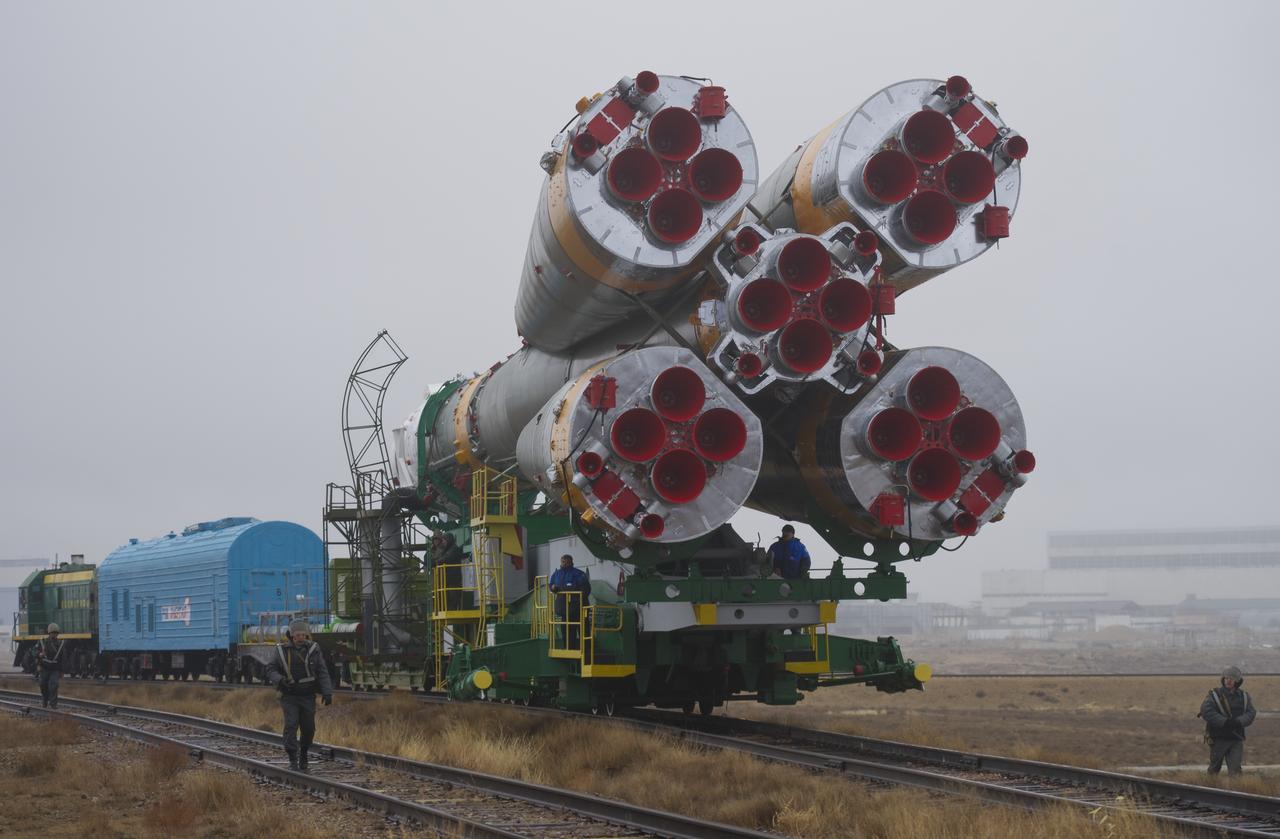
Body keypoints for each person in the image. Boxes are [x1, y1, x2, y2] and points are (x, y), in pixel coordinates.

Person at [266, 619, 334, 772]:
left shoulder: (314, 650)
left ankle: (304, 754)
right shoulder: (281, 651)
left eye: (303, 634)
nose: (301, 637)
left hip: (308, 695)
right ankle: (292, 758)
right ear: (291, 635)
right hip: (289, 695)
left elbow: (322, 672)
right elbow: (270, 669)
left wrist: (327, 692)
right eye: (297, 634)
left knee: (309, 728)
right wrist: (279, 680)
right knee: (291, 725)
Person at [1199, 665, 1256, 776]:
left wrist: (1239, 722)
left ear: (1237, 681)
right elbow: (1206, 711)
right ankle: (1210, 789)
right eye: (1226, 678)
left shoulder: (1244, 696)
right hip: (1218, 738)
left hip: (1236, 738)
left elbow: (1251, 713)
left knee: (1235, 771)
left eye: (1231, 678)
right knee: (1214, 768)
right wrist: (1225, 722)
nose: (1228, 681)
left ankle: (1236, 791)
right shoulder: (1214, 695)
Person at [549, 554, 590, 649]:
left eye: (566, 562)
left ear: (570, 562)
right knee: (567, 632)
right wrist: (553, 588)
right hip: (565, 611)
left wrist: (577, 601)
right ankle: (568, 649)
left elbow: (586, 589)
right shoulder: (557, 574)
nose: (564, 563)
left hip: (579, 610)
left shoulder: (579, 574)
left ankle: (586, 650)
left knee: (583, 631)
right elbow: (551, 585)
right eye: (562, 562)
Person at [35, 623, 66, 708]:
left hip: (55, 668)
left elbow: (63, 658)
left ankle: (53, 704)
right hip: (44, 667)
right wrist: (39, 654)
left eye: (56, 633)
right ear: (49, 633)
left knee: (54, 685)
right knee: (43, 685)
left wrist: (62, 671)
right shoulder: (42, 642)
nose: (54, 634)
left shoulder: (61, 644)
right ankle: (45, 700)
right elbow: (35, 652)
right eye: (53, 633)